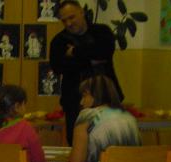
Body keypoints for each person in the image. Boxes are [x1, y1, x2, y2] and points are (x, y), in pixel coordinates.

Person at [48, 0, 122, 144]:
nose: (69, 23)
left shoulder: (102, 32)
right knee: (77, 143)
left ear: (81, 12)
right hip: (74, 102)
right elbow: (58, 67)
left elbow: (104, 52)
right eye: (64, 20)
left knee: (110, 141)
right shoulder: (59, 41)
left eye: (72, 17)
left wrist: (75, 52)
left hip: (107, 98)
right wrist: (89, 60)